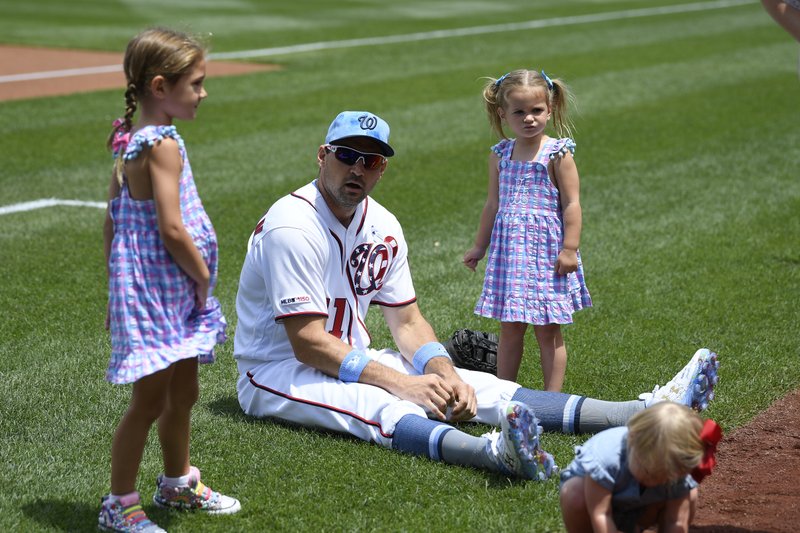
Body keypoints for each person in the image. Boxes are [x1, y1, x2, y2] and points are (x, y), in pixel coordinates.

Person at [233, 110, 719, 483]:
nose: (357, 169)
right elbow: (307, 342)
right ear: (322, 155)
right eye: (346, 155)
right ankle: (492, 454)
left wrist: (441, 371)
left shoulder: (381, 224)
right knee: (378, 405)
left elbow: (407, 322)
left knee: (475, 384)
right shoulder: (292, 226)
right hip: (276, 370)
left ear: (382, 168)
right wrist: (402, 384)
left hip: (351, 355)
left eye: (372, 160)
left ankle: (634, 411)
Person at [100, 27, 240, 533]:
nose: (203, 93)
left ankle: (178, 483)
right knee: (151, 400)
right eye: (197, 83)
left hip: (157, 285)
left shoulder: (135, 138)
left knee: (183, 393)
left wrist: (119, 279)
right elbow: (172, 226)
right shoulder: (159, 144)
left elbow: (111, 219)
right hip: (164, 287)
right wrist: (202, 278)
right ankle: (120, 503)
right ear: (161, 87)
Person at [463, 69, 591, 389]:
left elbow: (572, 204)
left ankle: (552, 399)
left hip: (547, 254)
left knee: (548, 330)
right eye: (519, 112)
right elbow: (492, 205)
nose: (529, 118)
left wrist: (570, 249)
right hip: (511, 255)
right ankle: (504, 392)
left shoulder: (558, 154)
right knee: (510, 328)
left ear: (549, 109)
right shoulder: (500, 155)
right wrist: (479, 247)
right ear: (503, 114)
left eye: (536, 110)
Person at [559, 400, 723, 533]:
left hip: (642, 506)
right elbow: (601, 514)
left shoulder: (676, 465)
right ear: (632, 439)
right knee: (574, 492)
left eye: (663, 476)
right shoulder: (607, 458)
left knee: (690, 493)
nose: (653, 481)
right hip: (598, 506)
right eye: (648, 472)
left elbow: (676, 521)